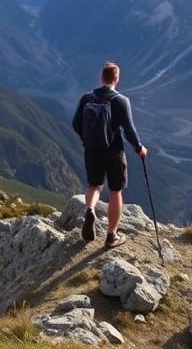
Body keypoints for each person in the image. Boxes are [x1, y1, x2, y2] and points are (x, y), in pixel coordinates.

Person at [71, 61, 147, 249]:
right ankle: (111, 236)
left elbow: (75, 123)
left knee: (94, 185)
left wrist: (86, 139)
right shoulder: (121, 101)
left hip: (92, 150)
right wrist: (139, 148)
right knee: (115, 191)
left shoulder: (87, 98)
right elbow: (129, 129)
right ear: (116, 79)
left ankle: (90, 209)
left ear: (101, 78)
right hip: (114, 151)